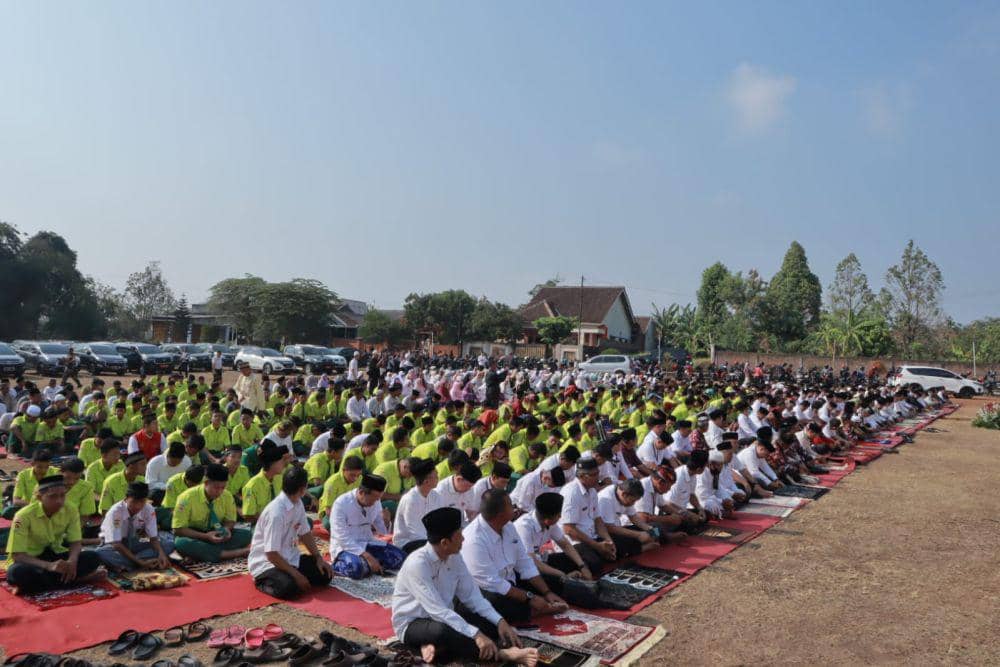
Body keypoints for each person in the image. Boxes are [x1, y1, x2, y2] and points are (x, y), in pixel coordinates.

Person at [391, 507, 538, 666]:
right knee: (443, 631)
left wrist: (500, 621)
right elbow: (437, 611)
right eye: (459, 535)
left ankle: (433, 647)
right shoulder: (417, 564)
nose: (463, 539)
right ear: (445, 543)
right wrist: (476, 635)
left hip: (447, 614)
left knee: (487, 618)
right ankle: (503, 653)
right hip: (414, 622)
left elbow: (473, 597)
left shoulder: (454, 556)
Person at [461, 489, 567, 623]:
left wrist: (546, 592)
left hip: (511, 580)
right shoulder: (473, 539)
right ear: (500, 515)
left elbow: (524, 563)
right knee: (496, 603)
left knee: (553, 582)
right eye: (510, 504)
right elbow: (493, 583)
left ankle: (538, 605)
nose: (514, 506)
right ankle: (535, 610)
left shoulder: (508, 526)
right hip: (487, 590)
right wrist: (530, 597)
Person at [6, 475, 103, 595]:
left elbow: (75, 542)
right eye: (53, 497)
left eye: (63, 495)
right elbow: (18, 555)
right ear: (39, 497)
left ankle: (37, 586)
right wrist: (48, 566)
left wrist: (72, 562)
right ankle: (77, 581)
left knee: (93, 557)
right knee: (16, 573)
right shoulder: (22, 516)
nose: (59, 501)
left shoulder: (70, 509)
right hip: (32, 560)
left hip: (56, 555)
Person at [248, 467, 334, 600]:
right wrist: (296, 574)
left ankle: (290, 574)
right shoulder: (276, 513)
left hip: (290, 557)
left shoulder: (298, 503)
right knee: (290, 588)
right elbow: (271, 554)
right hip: (267, 563)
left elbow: (305, 533)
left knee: (325, 575)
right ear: (302, 489)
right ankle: (261, 582)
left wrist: (318, 557)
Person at [329, 473, 405, 578]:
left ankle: (369, 564)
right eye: (374, 499)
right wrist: (367, 556)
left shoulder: (376, 501)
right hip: (346, 547)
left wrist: (386, 522)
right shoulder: (341, 504)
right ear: (361, 492)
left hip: (367, 542)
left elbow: (382, 531)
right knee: (356, 568)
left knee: (400, 557)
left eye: (378, 499)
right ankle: (349, 563)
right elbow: (342, 537)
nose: (375, 502)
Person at [172, 463, 252, 563]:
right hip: (195, 535)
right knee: (181, 543)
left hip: (217, 533)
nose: (219, 492)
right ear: (206, 483)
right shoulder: (186, 497)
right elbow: (178, 529)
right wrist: (205, 536)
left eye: (223, 487)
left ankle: (205, 553)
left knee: (246, 535)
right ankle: (231, 554)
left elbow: (230, 520)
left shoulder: (227, 496)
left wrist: (226, 529)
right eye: (216, 487)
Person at [514, 492, 593, 592]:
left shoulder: (549, 522)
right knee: (557, 583)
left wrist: (582, 566)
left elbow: (565, 544)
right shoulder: (523, 527)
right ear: (547, 520)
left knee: (585, 561)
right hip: (524, 569)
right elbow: (532, 563)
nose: (560, 517)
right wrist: (562, 575)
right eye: (558, 515)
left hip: (541, 560)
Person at [96, 481, 174, 572]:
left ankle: (130, 563)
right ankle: (141, 562)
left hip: (136, 540)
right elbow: (116, 544)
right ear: (126, 498)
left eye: (142, 502)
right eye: (134, 502)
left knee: (168, 544)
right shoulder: (116, 512)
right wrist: (140, 562)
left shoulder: (148, 509)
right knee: (100, 553)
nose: (138, 506)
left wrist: (161, 554)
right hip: (114, 544)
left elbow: (153, 538)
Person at [558, 458, 617, 572]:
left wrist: (609, 541)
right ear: (582, 476)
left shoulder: (592, 491)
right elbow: (568, 529)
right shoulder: (571, 493)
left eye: (598, 473)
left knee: (618, 547)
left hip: (592, 537)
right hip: (575, 541)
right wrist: (597, 546)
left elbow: (598, 519)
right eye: (594, 474)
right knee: (595, 564)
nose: (598, 477)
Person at [596, 479, 657, 556]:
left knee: (656, 529)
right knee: (619, 545)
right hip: (605, 534)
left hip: (619, 529)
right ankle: (641, 548)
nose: (633, 503)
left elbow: (633, 517)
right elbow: (609, 527)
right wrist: (638, 535)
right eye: (632, 501)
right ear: (624, 494)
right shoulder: (606, 499)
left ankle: (649, 541)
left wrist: (649, 529)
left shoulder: (626, 497)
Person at [393, 458, 441, 554]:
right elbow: (415, 532)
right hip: (408, 542)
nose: (438, 478)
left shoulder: (435, 496)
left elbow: (438, 522)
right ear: (426, 481)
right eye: (436, 476)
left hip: (428, 539)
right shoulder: (410, 499)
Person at [5, 449, 59, 519]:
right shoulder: (23, 475)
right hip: (29, 509)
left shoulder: (56, 472)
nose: (44, 470)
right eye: (39, 467)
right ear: (32, 463)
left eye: (47, 467)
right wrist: (36, 507)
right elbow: (16, 501)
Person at [664, 449, 709, 530]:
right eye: (705, 467)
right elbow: (668, 504)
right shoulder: (678, 477)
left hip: (682, 510)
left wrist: (699, 508)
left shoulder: (693, 474)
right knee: (690, 523)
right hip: (671, 512)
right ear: (699, 469)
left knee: (706, 514)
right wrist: (688, 514)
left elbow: (691, 495)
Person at [241, 443, 286, 522]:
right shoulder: (252, 486)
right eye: (281, 461)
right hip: (261, 523)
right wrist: (271, 519)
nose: (284, 464)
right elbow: (248, 516)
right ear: (272, 464)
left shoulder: (279, 478)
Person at [435, 462, 482, 527]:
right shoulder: (440, 491)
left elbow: (471, 512)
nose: (469, 489)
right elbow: (438, 520)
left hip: (461, 525)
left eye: (471, 487)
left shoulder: (470, 488)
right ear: (459, 479)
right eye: (468, 486)